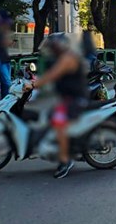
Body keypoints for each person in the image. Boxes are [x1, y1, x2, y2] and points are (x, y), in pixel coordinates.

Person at [25, 32, 88, 179]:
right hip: (68, 98)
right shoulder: (65, 56)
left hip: (75, 99)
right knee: (48, 116)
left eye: (53, 47)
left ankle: (66, 160)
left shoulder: (67, 58)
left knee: (59, 123)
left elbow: (52, 75)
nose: (52, 50)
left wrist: (33, 85)